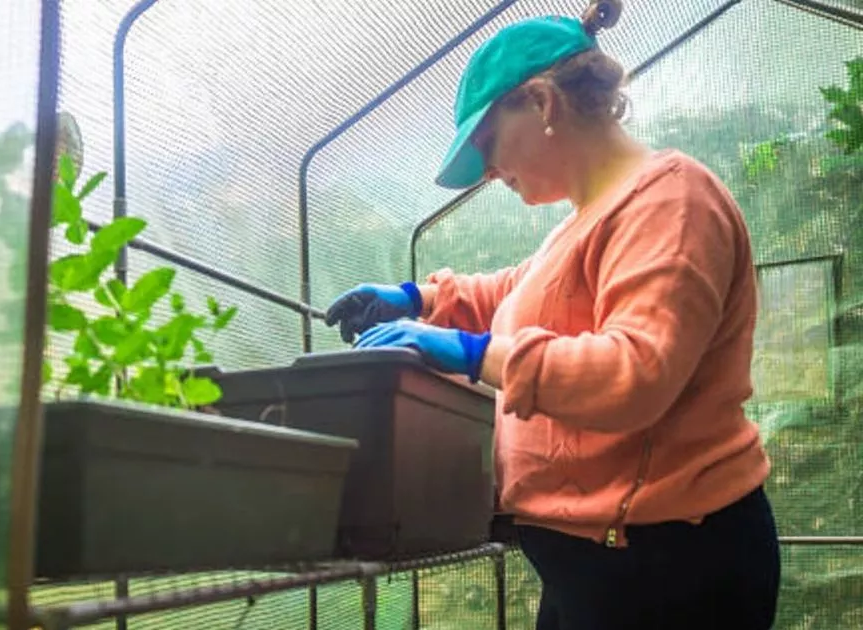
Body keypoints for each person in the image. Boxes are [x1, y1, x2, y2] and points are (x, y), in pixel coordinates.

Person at [323, 3, 781, 629]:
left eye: (486, 144)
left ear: (541, 103)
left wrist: (470, 352)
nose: (486, 172)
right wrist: (419, 299)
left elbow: (636, 371)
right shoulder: (586, 219)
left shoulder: (672, 200)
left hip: (668, 559)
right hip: (596, 559)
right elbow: (522, 289)